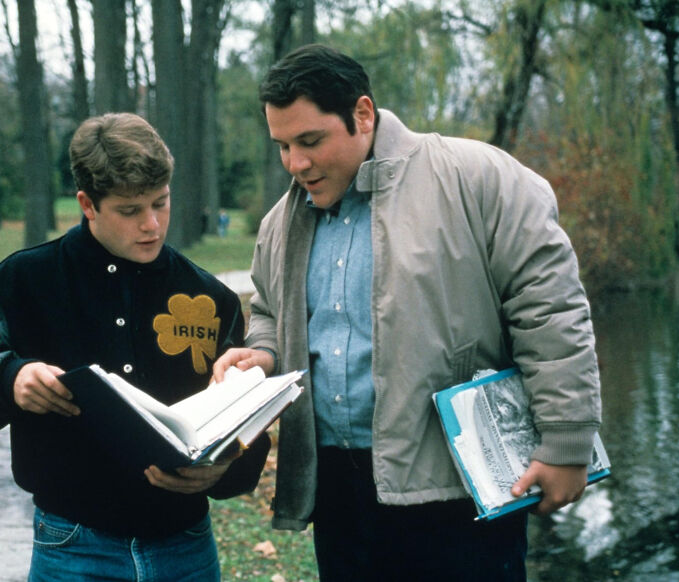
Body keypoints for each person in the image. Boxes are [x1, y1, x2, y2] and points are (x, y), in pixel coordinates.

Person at [212, 44, 602, 581]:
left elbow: (551, 310)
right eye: (282, 146)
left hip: (461, 491)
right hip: (337, 495)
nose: (295, 163)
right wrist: (262, 354)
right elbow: (271, 314)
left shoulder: (479, 177)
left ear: (363, 115)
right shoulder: (281, 220)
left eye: (310, 141)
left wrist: (566, 440)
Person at [0, 112, 270, 581]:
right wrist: (10, 378)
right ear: (87, 204)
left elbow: (247, 419)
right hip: (73, 548)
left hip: (186, 549)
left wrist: (226, 467)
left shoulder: (210, 297)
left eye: (161, 202)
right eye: (130, 211)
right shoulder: (19, 283)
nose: (152, 224)